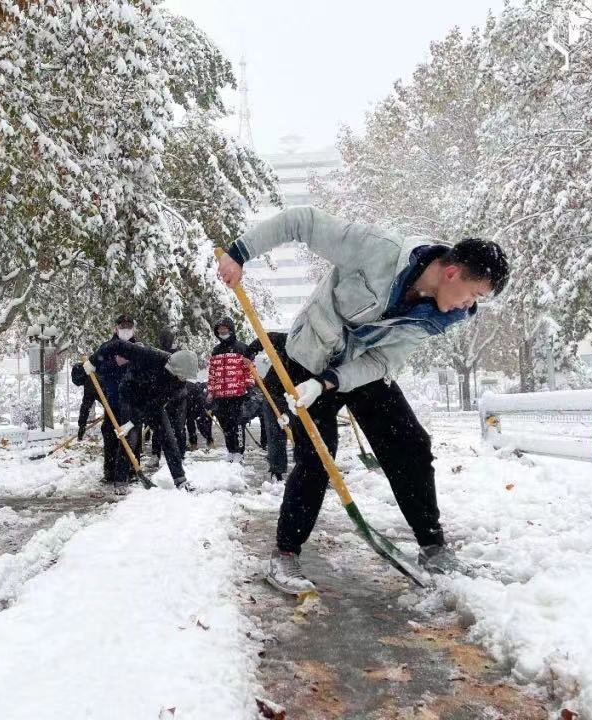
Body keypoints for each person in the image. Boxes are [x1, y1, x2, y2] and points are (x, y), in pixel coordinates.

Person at [217, 207, 510, 592]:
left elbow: (383, 359)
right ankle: (285, 554)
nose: (468, 306)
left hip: (357, 370)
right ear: (452, 273)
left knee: (410, 443)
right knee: (318, 456)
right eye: (473, 295)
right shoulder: (377, 250)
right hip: (309, 357)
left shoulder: (437, 315)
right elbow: (301, 221)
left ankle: (433, 548)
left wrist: (331, 382)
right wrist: (238, 253)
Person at [84, 338, 200, 490]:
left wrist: (133, 421)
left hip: (151, 401)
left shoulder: (178, 384)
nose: (184, 379)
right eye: (183, 375)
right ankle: (120, 481)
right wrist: (93, 361)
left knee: (168, 437)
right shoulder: (150, 355)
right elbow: (117, 345)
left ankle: (180, 480)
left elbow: (155, 405)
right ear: (176, 367)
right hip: (130, 396)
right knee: (130, 439)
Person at [93, 314, 138, 485]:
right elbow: (99, 369)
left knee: (132, 436)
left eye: (128, 326)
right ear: (116, 328)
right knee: (111, 436)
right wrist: (115, 363)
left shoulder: (139, 348)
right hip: (112, 400)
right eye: (122, 326)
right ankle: (110, 471)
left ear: (133, 329)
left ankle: (132, 469)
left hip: (133, 400)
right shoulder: (107, 347)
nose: (125, 329)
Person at [242, 331, 291, 483]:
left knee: (305, 434)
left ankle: (315, 469)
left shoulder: (324, 350)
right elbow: (267, 338)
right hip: (274, 393)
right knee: (275, 433)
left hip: (300, 395)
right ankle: (277, 471)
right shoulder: (290, 340)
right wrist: (250, 352)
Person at [207, 317, 253, 463]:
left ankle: (239, 452)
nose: (222, 331)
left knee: (238, 423)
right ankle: (231, 451)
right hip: (221, 395)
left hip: (238, 394)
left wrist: (249, 387)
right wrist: (211, 391)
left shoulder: (243, 348)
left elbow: (250, 370)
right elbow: (212, 374)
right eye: (219, 329)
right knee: (225, 424)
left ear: (231, 328)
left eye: (224, 328)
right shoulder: (216, 350)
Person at [147, 328, 189, 469]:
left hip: (178, 396)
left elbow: (183, 376)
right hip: (160, 396)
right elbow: (153, 375)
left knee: (178, 427)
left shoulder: (178, 354)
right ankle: (155, 455)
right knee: (159, 428)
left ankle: (181, 455)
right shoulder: (156, 353)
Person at [69, 362, 98, 441]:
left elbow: (85, 406)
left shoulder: (91, 380)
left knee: (107, 429)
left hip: (119, 406)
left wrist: (82, 426)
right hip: (119, 404)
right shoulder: (95, 371)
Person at [185, 381, 214, 450]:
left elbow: (200, 395)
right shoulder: (185, 384)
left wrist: (205, 406)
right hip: (189, 407)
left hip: (198, 405)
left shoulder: (190, 385)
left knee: (201, 425)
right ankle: (193, 443)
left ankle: (209, 441)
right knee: (190, 425)